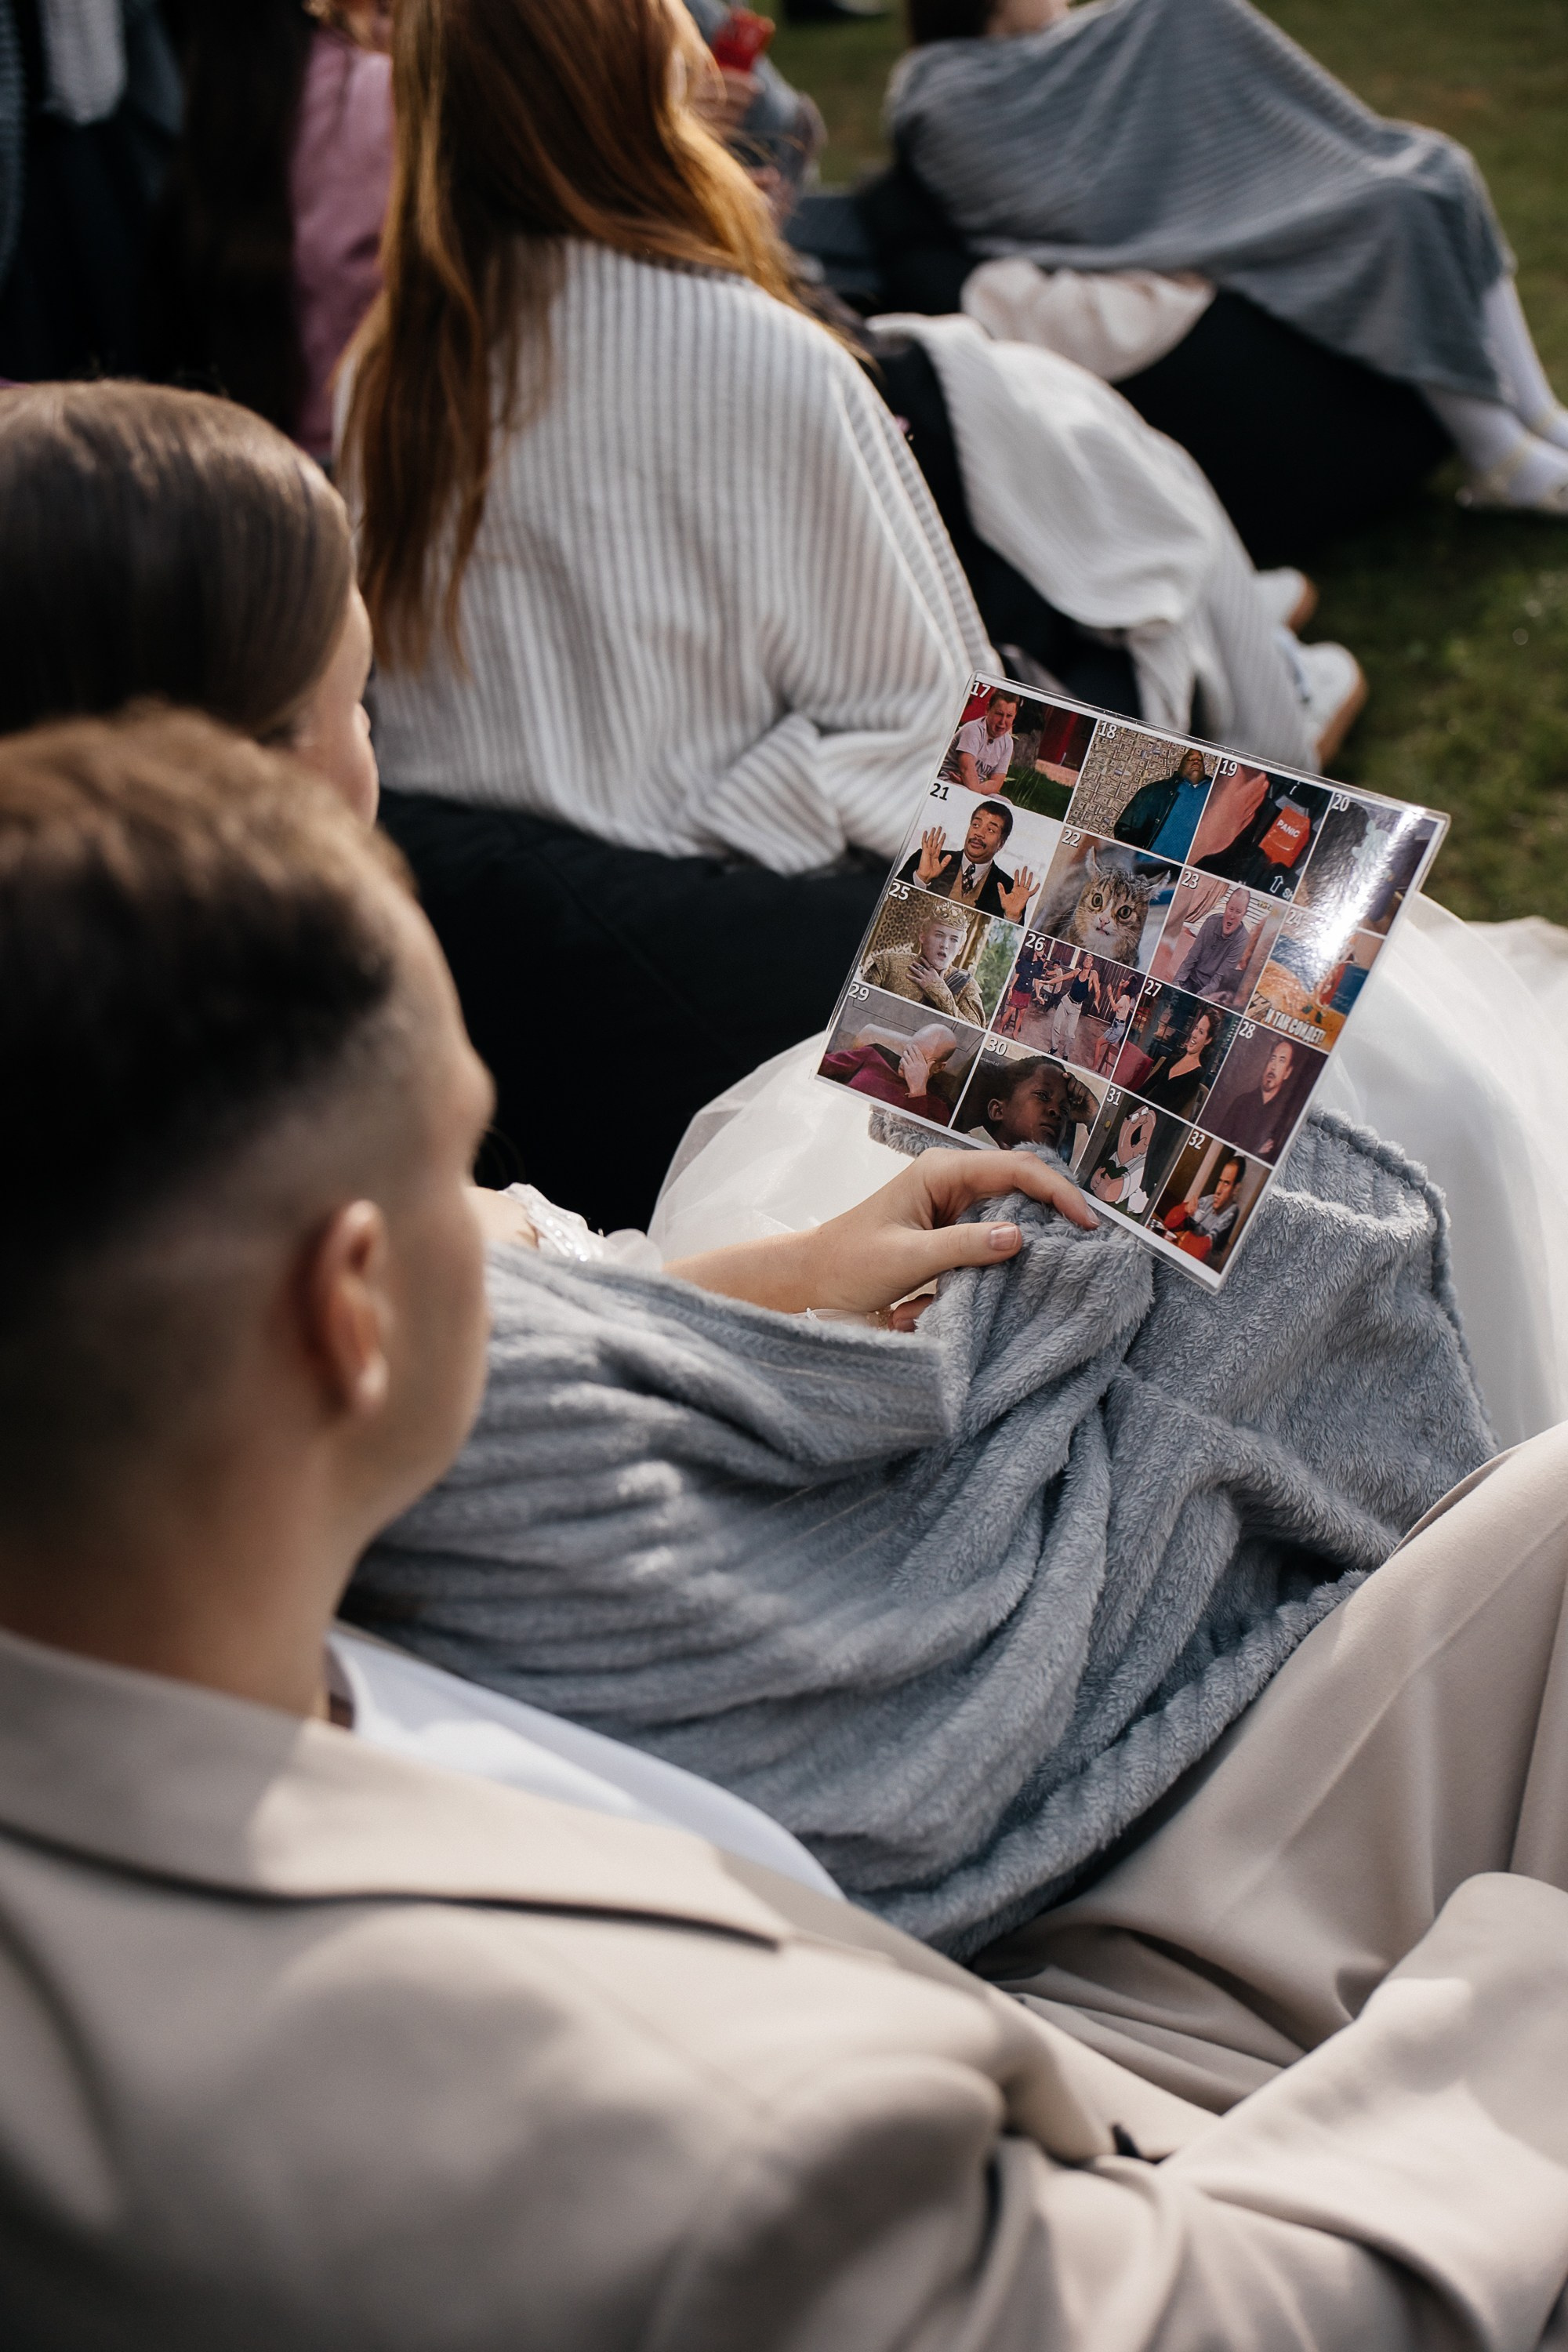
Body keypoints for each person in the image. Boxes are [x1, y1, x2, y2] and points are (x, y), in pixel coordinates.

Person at [13, 709, 1568, 2346]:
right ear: (355, 1313)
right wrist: (1517, 1988)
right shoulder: (636, 2104)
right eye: (464, 1177)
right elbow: (1220, 2313)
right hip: (1154, 2145)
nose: (519, 1245)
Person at [890, 0, 1568, 522]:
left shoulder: (1076, 47)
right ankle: (1499, 455)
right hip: (1177, 220)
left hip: (1238, 187)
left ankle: (1535, 413)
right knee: (1396, 209)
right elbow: (1050, 200)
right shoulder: (945, 95)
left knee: (1437, 170)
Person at [896, 797, 1036, 919]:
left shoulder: (1010, 890)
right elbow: (891, 904)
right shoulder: (924, 860)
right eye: (976, 825)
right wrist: (920, 880)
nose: (979, 833)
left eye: (991, 830)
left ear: (1001, 843)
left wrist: (1011, 917)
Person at [860, 904, 987, 1029]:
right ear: (922, 936)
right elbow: (859, 1009)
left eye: (954, 940)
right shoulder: (888, 964)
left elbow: (974, 1035)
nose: (945, 945)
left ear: (960, 948)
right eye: (939, 935)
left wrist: (940, 993)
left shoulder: (966, 986)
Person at [820, 1016, 961, 1123]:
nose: (907, 1061)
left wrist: (917, 1091)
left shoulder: (938, 1108)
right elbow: (821, 1065)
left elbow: (913, 1140)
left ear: (939, 1067)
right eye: (909, 1050)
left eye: (919, 1059)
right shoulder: (873, 1055)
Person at [962, 1052, 1094, 1154]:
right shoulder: (964, 1151)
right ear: (998, 1111)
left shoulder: (1049, 1174)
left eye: (1064, 1110)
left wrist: (1093, 1117)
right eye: (1042, 1095)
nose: (1057, 1111)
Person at [1205, 1032, 1306, 1163]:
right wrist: (1252, 1148)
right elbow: (1217, 1144)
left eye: (1281, 1061)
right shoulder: (1242, 1102)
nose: (1273, 1066)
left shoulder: (1285, 1116)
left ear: (1287, 1072)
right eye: (1272, 1059)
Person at [1112, 746, 1211, 862]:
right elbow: (1125, 828)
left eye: (1200, 760)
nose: (1196, 761)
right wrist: (1133, 860)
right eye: (1190, 759)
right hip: (1149, 865)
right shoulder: (1154, 791)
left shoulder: (1217, 794)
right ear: (1180, 766)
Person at [1136, 1006, 1222, 1122]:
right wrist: (1129, 1102)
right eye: (1196, 1028)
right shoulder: (1174, 1056)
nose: (1194, 1034)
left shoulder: (1197, 1073)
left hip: (1156, 1123)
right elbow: (1148, 1085)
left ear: (1208, 1040)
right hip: (1140, 1113)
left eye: (1201, 1032)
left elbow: (1174, 1111)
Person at [1174, 884, 1255, 1004]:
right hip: (1190, 981)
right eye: (1231, 909)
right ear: (1226, 907)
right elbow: (1191, 958)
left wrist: (1196, 997)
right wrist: (1176, 983)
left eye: (1238, 912)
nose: (1232, 916)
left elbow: (1219, 978)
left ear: (1244, 914)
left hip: (1209, 991)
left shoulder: (1243, 940)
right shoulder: (1211, 922)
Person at [938, 687, 1018, 791]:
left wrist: (977, 791)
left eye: (1009, 716)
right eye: (999, 714)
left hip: (974, 787)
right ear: (988, 709)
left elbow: (997, 782)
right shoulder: (973, 730)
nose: (1002, 722)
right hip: (948, 781)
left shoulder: (1007, 742)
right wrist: (975, 794)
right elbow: (966, 770)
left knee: (1002, 800)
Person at [1049, 953, 1101, 1062]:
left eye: (1089, 960)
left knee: (1070, 1035)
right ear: (1083, 961)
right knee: (1055, 1025)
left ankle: (1065, 1053)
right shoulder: (1077, 971)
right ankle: (1054, 1047)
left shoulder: (1093, 974)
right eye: (1086, 959)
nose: (1087, 961)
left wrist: (1096, 1000)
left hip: (1076, 1008)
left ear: (1092, 964)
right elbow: (1062, 978)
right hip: (1066, 1001)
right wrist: (1048, 981)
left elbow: (1097, 990)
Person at [1186, 1154, 1245, 1245]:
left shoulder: (1232, 1212)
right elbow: (1175, 1222)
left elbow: (1204, 1246)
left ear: (1235, 1189)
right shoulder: (1210, 1199)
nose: (1218, 1191)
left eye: (1226, 1183)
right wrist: (1185, 1211)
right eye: (1220, 1181)